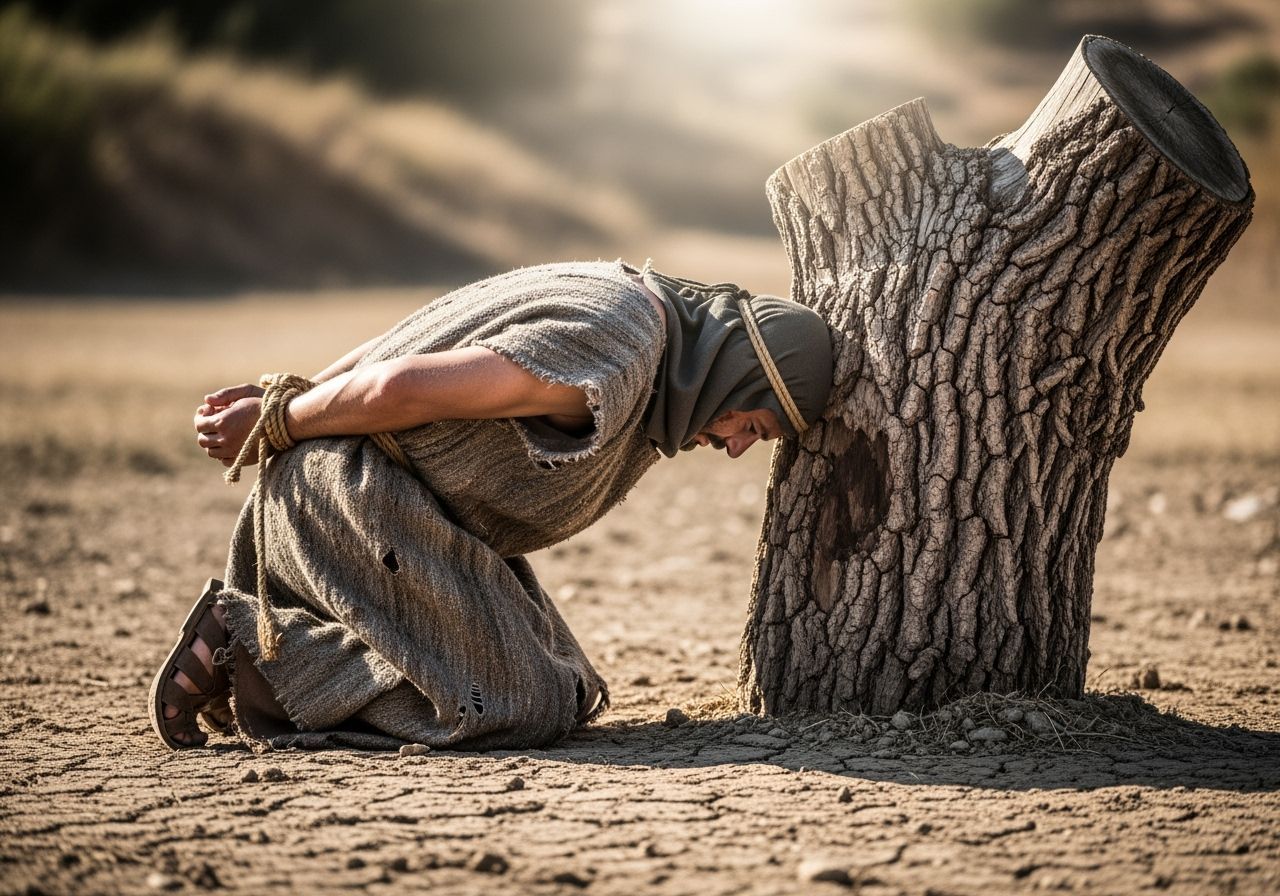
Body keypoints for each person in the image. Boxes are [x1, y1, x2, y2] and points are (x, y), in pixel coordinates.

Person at [149, 259, 833, 751]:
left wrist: (293, 404)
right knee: (513, 705)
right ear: (743, 372)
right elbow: (399, 385)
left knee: (569, 688)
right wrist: (283, 420)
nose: (740, 446)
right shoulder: (619, 350)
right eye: (755, 424)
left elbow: (414, 339)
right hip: (352, 497)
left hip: (402, 512)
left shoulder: (633, 305)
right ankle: (254, 650)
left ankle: (283, 659)